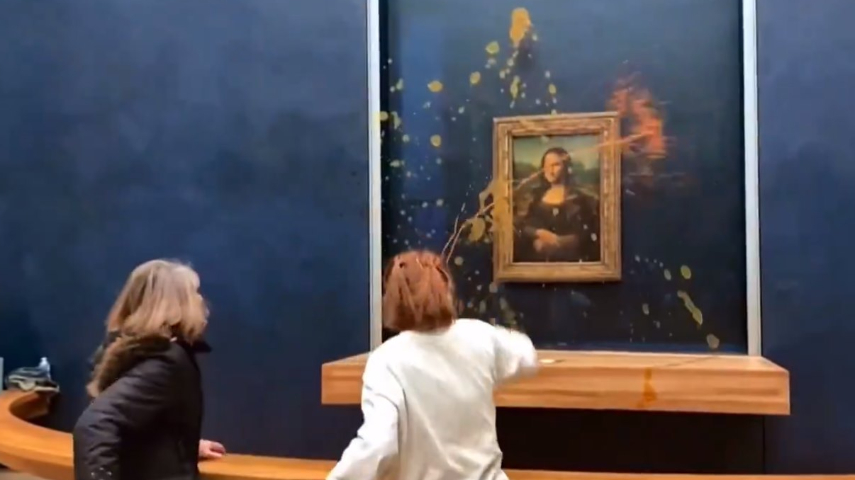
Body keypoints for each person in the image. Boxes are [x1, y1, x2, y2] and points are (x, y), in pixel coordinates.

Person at [328, 250, 538, 480]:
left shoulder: (386, 361)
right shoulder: (480, 336)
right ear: (446, 290)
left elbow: (378, 445)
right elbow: (526, 355)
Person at [74, 259, 225, 480]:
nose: (200, 300)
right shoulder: (165, 363)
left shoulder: (124, 352)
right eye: (194, 293)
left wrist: (184, 447)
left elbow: (138, 424)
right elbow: (94, 426)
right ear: (175, 305)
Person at [514, 147, 600, 263]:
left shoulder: (581, 199)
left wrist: (559, 242)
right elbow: (522, 225)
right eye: (546, 166)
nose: (550, 170)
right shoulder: (533, 197)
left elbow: (587, 233)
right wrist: (538, 233)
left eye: (555, 165)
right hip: (536, 263)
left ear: (566, 167)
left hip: (571, 262)